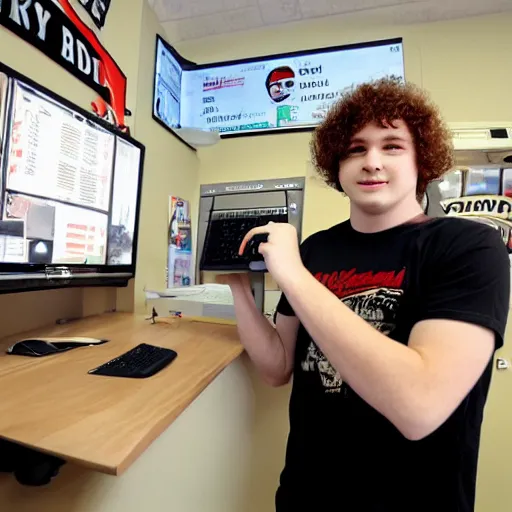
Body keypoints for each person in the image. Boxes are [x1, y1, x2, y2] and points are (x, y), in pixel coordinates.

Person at [218, 77, 510, 511]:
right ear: (337, 165)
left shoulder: (469, 246)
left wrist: (295, 275)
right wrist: (238, 285)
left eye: (392, 146)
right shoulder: (316, 249)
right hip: (304, 494)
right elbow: (278, 366)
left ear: (421, 163)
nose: (371, 162)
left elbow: (418, 406)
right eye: (356, 149)